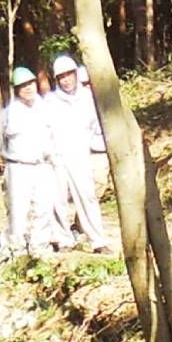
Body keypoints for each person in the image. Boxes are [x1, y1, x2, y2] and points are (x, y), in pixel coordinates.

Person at [45, 53, 112, 253]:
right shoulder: (49, 101)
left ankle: (98, 241)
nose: (66, 80)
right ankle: (64, 240)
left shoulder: (90, 98)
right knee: (57, 199)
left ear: (76, 74)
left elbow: (97, 127)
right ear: (57, 79)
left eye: (69, 75)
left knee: (88, 196)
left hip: (80, 154)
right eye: (62, 77)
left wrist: (97, 146)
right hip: (56, 156)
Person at [0, 67, 63, 256]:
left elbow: (54, 137)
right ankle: (16, 249)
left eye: (30, 84)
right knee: (18, 210)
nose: (28, 88)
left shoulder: (46, 109)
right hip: (18, 167)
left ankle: (39, 246)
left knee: (43, 208)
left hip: (43, 165)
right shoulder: (8, 113)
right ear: (16, 89)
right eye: (22, 86)